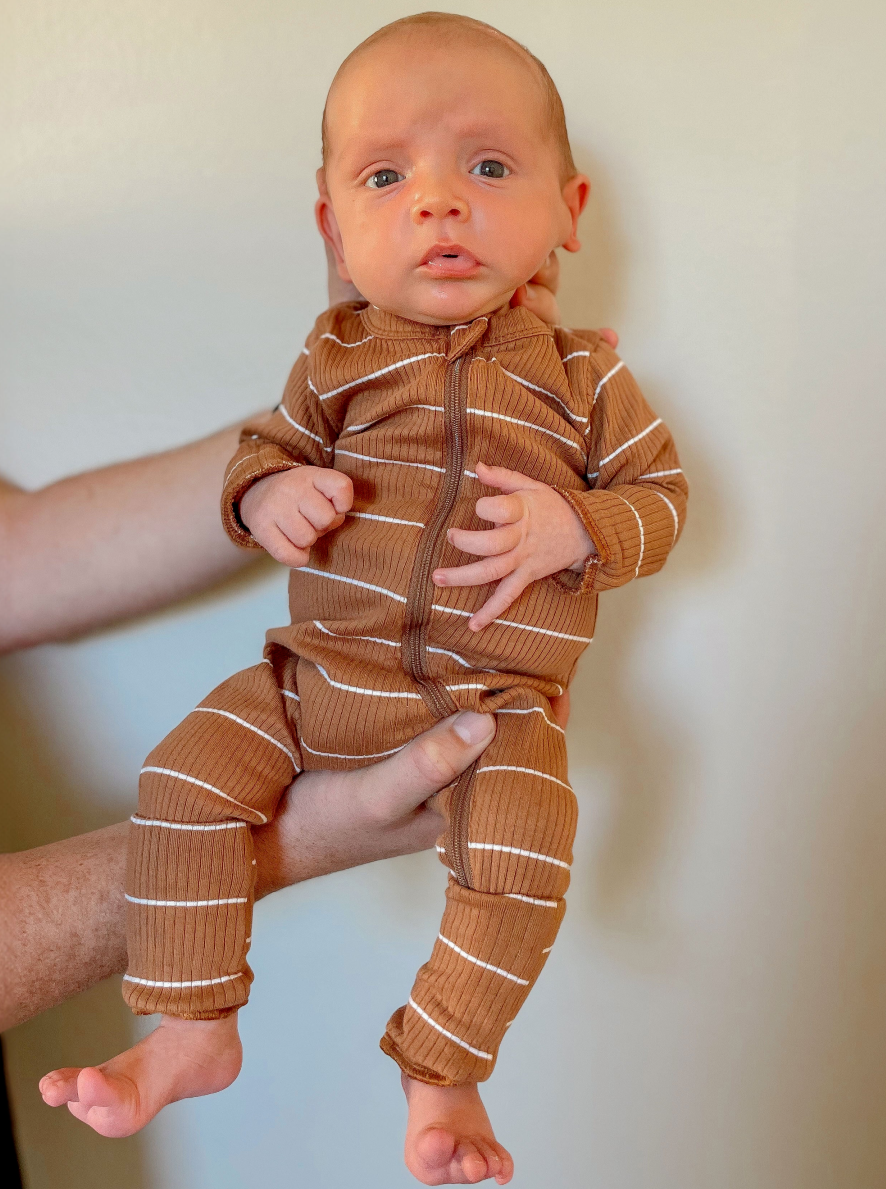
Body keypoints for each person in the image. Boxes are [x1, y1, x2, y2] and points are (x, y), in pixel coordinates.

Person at [38, 14, 680, 1186]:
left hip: (499, 705)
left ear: (567, 210)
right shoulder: (334, 357)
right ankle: (191, 1026)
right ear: (336, 227)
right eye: (388, 175)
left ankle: (443, 1070)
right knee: (178, 779)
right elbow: (257, 454)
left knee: (528, 854)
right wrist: (268, 493)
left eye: (487, 167)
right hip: (310, 682)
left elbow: (661, 500)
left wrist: (576, 523)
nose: (438, 201)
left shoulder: (588, 376)